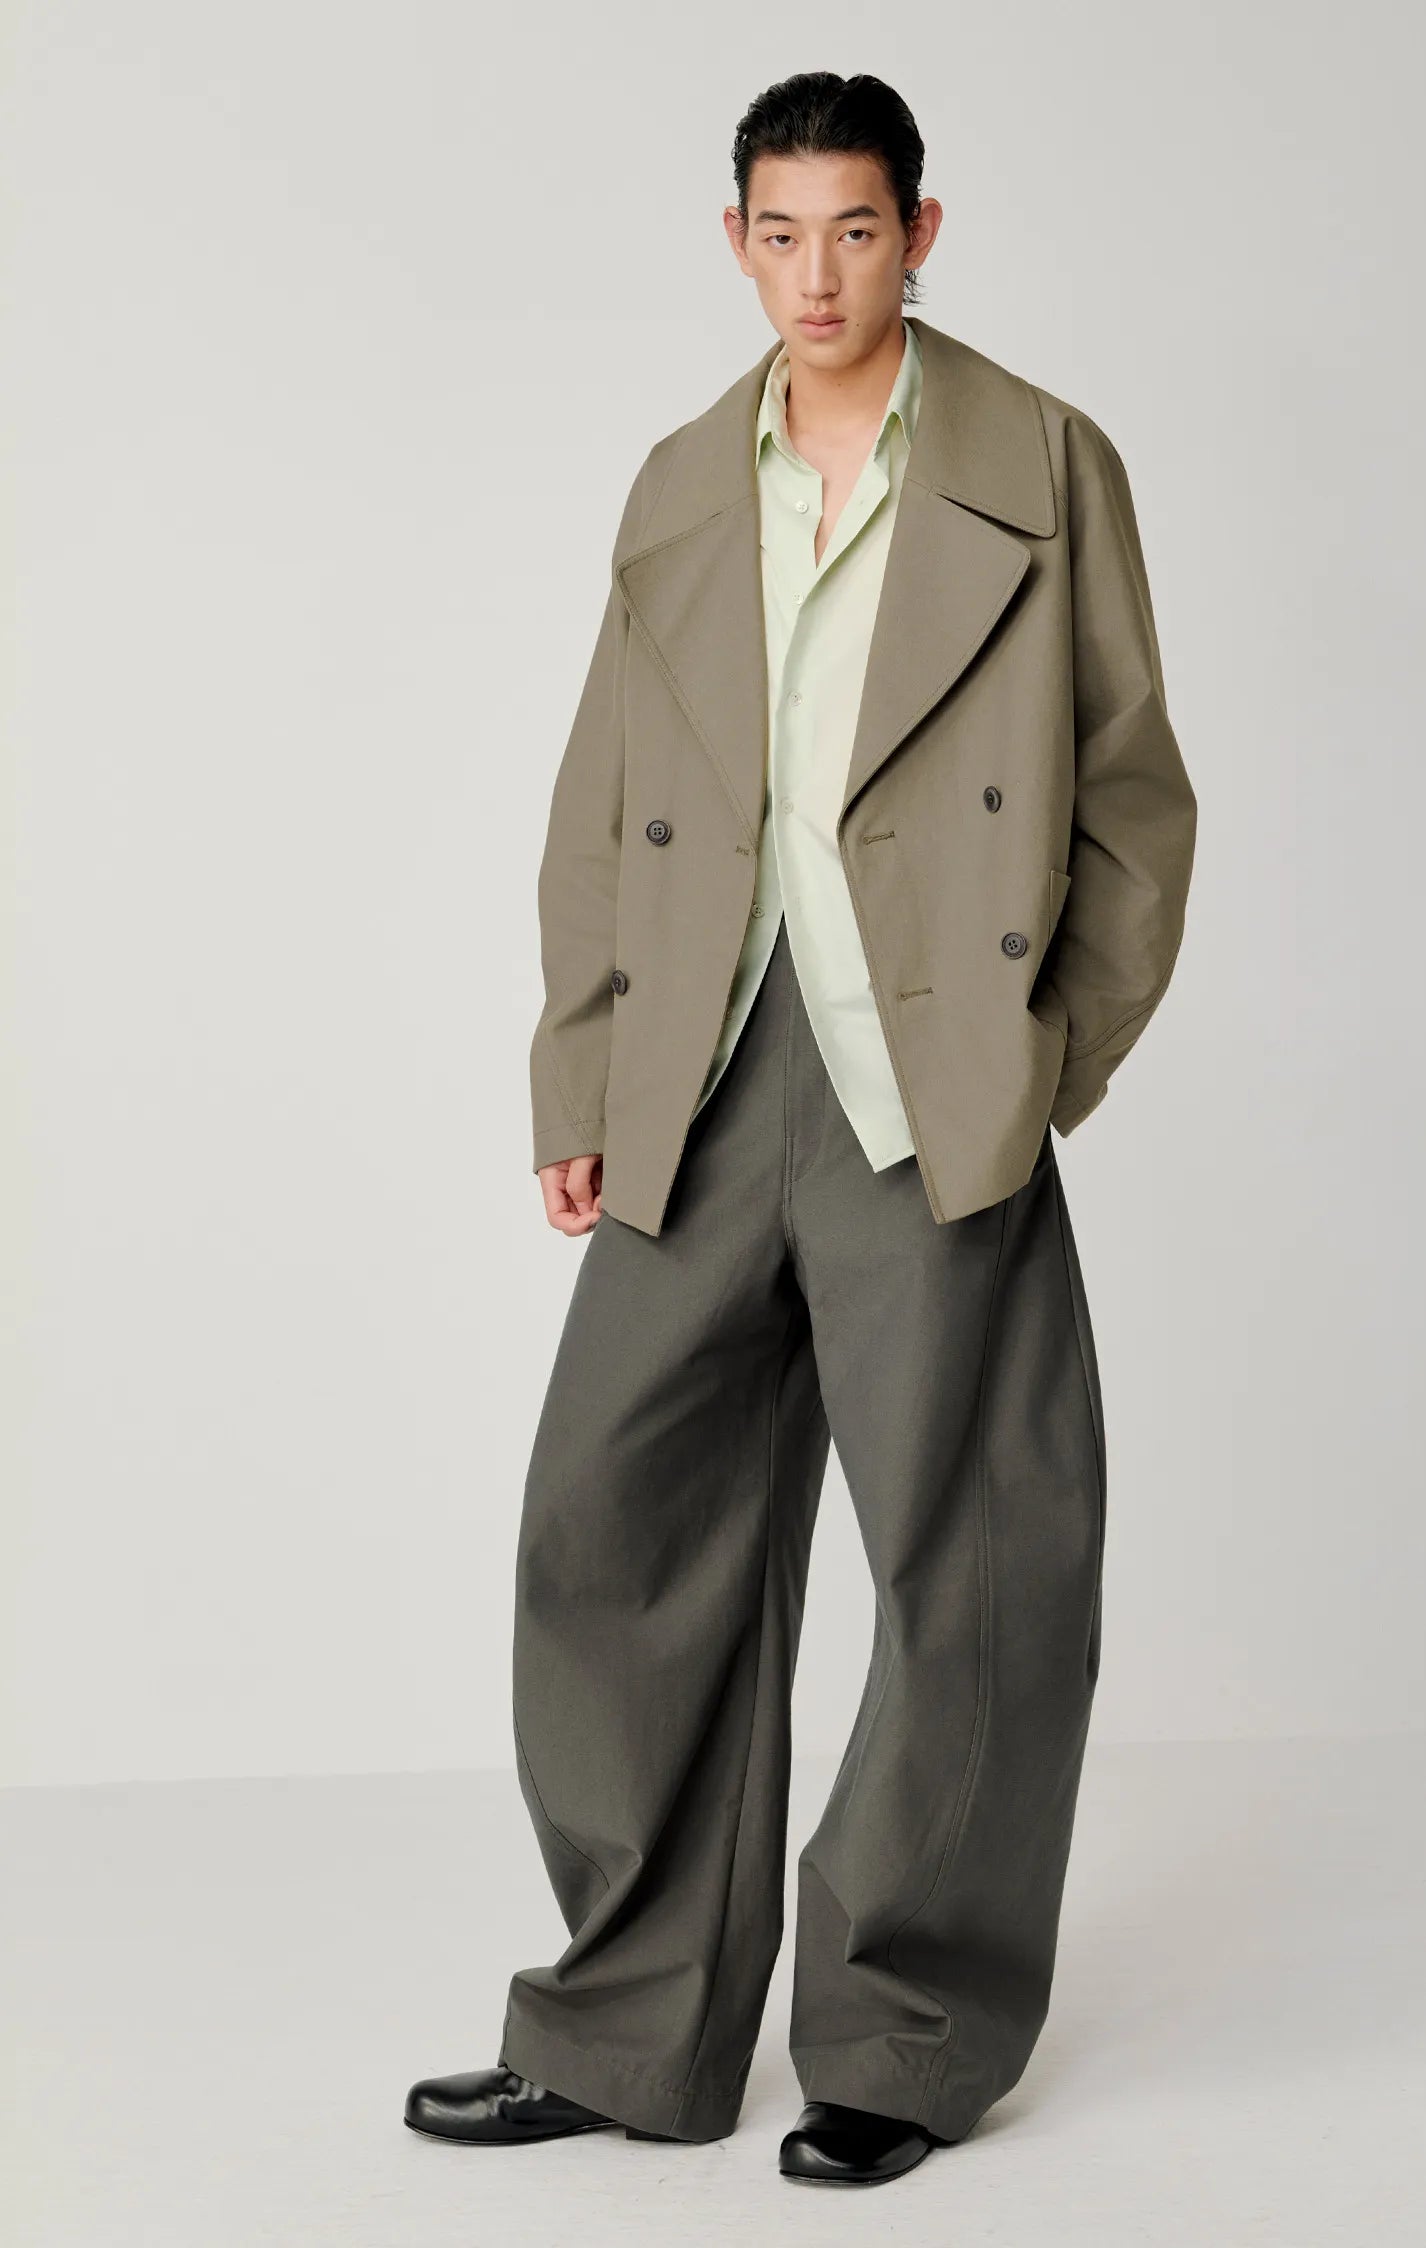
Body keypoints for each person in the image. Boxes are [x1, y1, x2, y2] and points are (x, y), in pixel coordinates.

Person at [404, 69, 1197, 2189]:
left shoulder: (1043, 462)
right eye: (781, 232)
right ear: (737, 241)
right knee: (611, 1522)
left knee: (973, 1556)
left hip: (928, 1075)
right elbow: (603, 802)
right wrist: (582, 1072)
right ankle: (628, 2025)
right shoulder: (685, 478)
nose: (817, 273)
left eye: (856, 229)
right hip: (703, 1051)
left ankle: (905, 2036)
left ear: (919, 234)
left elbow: (1134, 796)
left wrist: (1045, 1061)